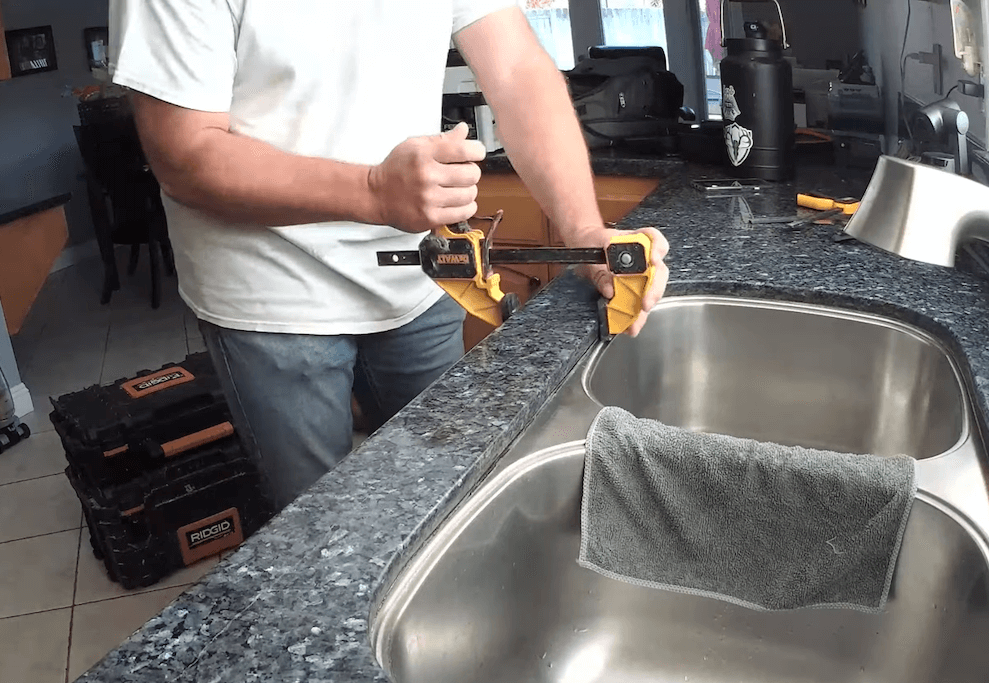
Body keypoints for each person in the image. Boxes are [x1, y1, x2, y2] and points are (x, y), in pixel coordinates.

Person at [107, 1, 670, 509]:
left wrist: (583, 230)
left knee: (451, 496)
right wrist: (373, 192)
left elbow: (519, 72)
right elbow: (183, 153)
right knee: (319, 534)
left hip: (423, 280)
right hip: (270, 297)